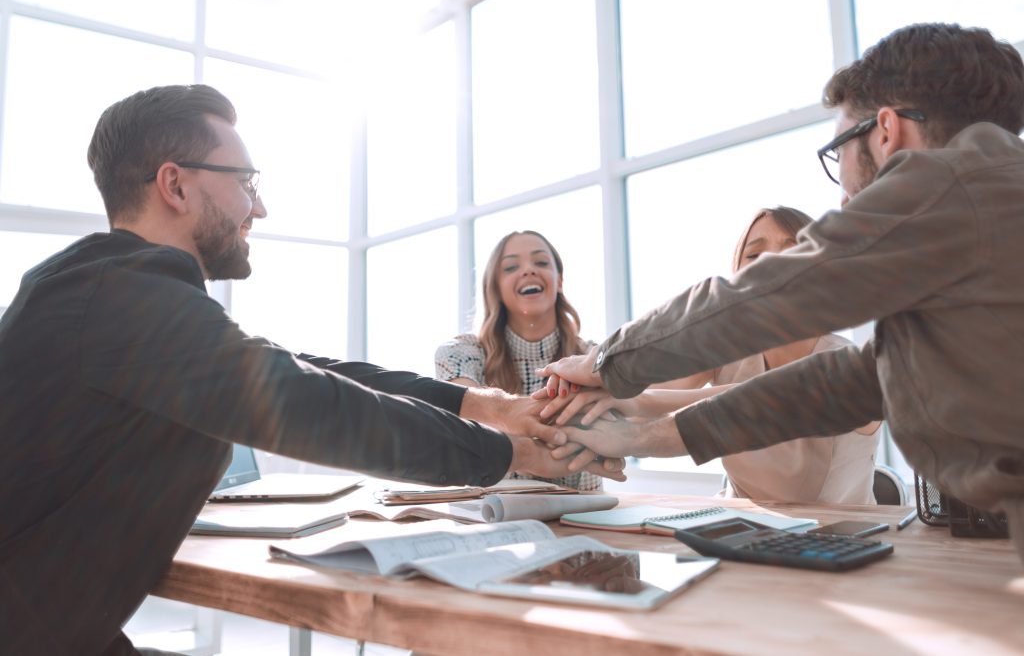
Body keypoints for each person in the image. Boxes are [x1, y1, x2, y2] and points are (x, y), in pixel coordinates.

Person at [0, 85, 623, 656]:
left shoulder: (110, 292)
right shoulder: (120, 298)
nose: (260, 206)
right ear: (176, 185)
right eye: (245, 180)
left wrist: (482, 405)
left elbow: (296, 367)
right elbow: (304, 400)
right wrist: (511, 452)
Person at [537, 23, 1024, 563]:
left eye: (839, 150)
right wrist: (639, 439)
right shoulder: (987, 213)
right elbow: (848, 385)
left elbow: (778, 291)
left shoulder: (951, 181)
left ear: (885, 131)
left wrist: (610, 361)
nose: (840, 192)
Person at [548, 207, 880, 503]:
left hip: (841, 540)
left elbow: (772, 398)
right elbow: (644, 398)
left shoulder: (849, 364)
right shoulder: (728, 354)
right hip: (742, 530)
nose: (771, 263)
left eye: (794, 251)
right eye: (754, 255)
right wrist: (580, 409)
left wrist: (636, 406)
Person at [436, 230, 602, 490]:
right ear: (496, 288)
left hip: (585, 516)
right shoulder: (460, 353)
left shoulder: (593, 357)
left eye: (541, 263)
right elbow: (467, 412)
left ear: (559, 281)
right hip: (495, 520)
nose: (528, 271)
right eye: (511, 267)